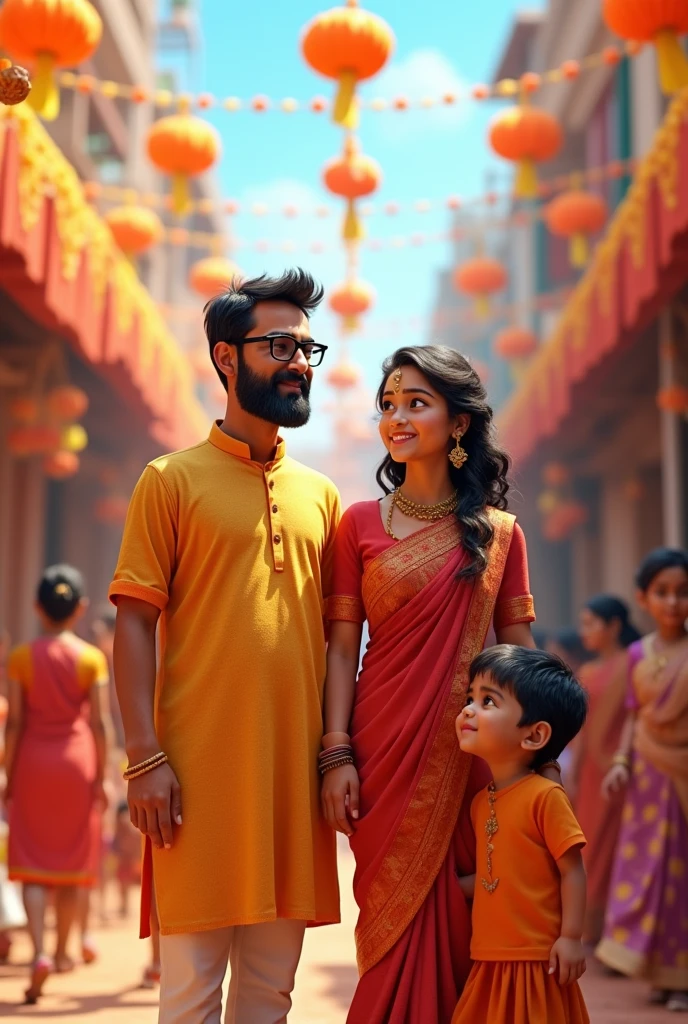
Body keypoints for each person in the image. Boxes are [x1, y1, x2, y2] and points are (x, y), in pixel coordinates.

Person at [110, 270, 341, 1024]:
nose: (299, 361)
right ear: (226, 357)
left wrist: (335, 754)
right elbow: (134, 623)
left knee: (271, 996)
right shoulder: (168, 481)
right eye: (280, 345)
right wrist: (143, 756)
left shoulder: (323, 497)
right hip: (192, 788)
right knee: (188, 995)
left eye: (307, 347)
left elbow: (341, 642)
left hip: (290, 789)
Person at [322, 345, 538, 1024]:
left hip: (469, 755)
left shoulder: (501, 535)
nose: (397, 417)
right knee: (387, 915)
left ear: (459, 423)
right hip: (379, 749)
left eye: (416, 402)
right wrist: (335, 751)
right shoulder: (356, 523)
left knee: (465, 919)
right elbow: (339, 648)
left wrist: (536, 764)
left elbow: (519, 653)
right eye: (388, 403)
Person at [452, 645, 589, 1024]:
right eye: (470, 698)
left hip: (535, 959)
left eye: (488, 701)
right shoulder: (482, 802)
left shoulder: (545, 797)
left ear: (534, 735)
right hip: (488, 956)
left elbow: (572, 871)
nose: (468, 709)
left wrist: (571, 938)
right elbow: (492, 876)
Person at [3, 565, 109, 1004]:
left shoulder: (22, 658)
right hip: (76, 762)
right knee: (70, 863)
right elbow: (100, 724)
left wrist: (8, 772)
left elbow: (17, 724)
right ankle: (64, 948)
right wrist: (103, 777)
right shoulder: (91, 659)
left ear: (36, 607)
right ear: (80, 608)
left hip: (33, 763)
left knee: (31, 859)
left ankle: (40, 951)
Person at [597, 548, 688, 1012]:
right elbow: (634, 717)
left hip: (683, 772)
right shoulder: (638, 654)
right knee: (647, 870)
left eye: (682, 593)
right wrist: (620, 762)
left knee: (681, 875)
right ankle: (655, 967)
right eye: (662, 593)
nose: (673, 602)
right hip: (648, 776)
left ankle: (681, 977)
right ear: (644, 599)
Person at [568, 595, 640, 945]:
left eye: (590, 623)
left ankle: (620, 936)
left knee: (621, 850)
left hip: (626, 771)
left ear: (613, 626)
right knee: (589, 848)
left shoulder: (635, 663)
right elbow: (580, 730)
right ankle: (593, 931)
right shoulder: (588, 672)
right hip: (590, 773)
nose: (585, 632)